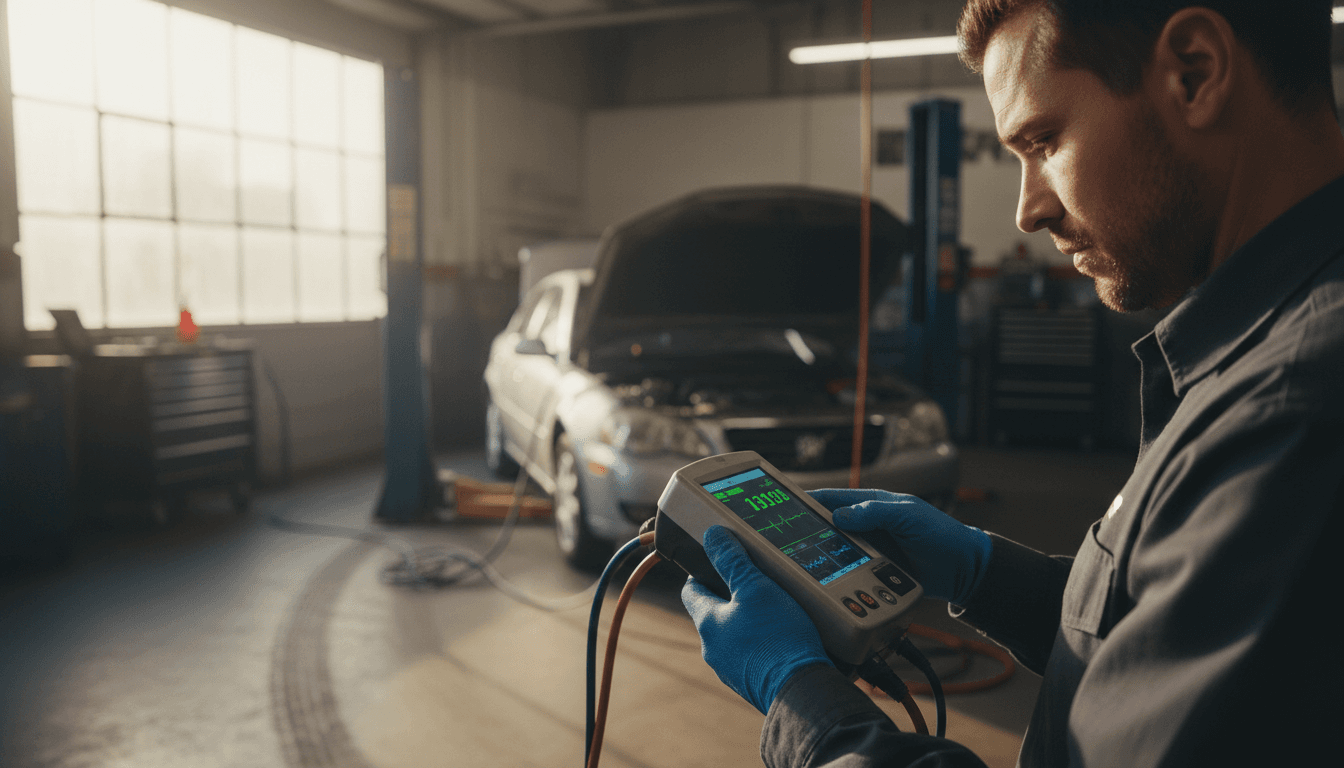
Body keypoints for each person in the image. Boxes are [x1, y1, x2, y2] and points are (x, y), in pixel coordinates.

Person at [680, 1, 1344, 766]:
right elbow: (1168, 628)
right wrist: (987, 573)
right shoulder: (1259, 352)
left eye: (1044, 140)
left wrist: (800, 696)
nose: (1029, 210)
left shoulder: (1296, 409)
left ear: (1194, 73)